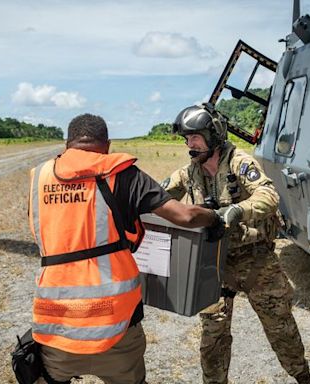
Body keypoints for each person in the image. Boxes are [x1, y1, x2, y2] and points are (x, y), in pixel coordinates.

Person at [27, 113, 224, 384]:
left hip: (55, 326)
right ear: (107, 147)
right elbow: (185, 216)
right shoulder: (121, 173)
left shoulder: (40, 178)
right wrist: (215, 218)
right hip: (116, 326)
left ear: (66, 144)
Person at [161, 104, 310, 384]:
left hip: (254, 258)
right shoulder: (190, 171)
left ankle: (303, 377)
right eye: (187, 138)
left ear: (214, 134)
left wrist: (236, 211)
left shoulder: (239, 162)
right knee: (213, 333)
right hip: (214, 260)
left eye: (195, 137)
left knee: (280, 326)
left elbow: (268, 195)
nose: (190, 144)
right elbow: (159, 195)